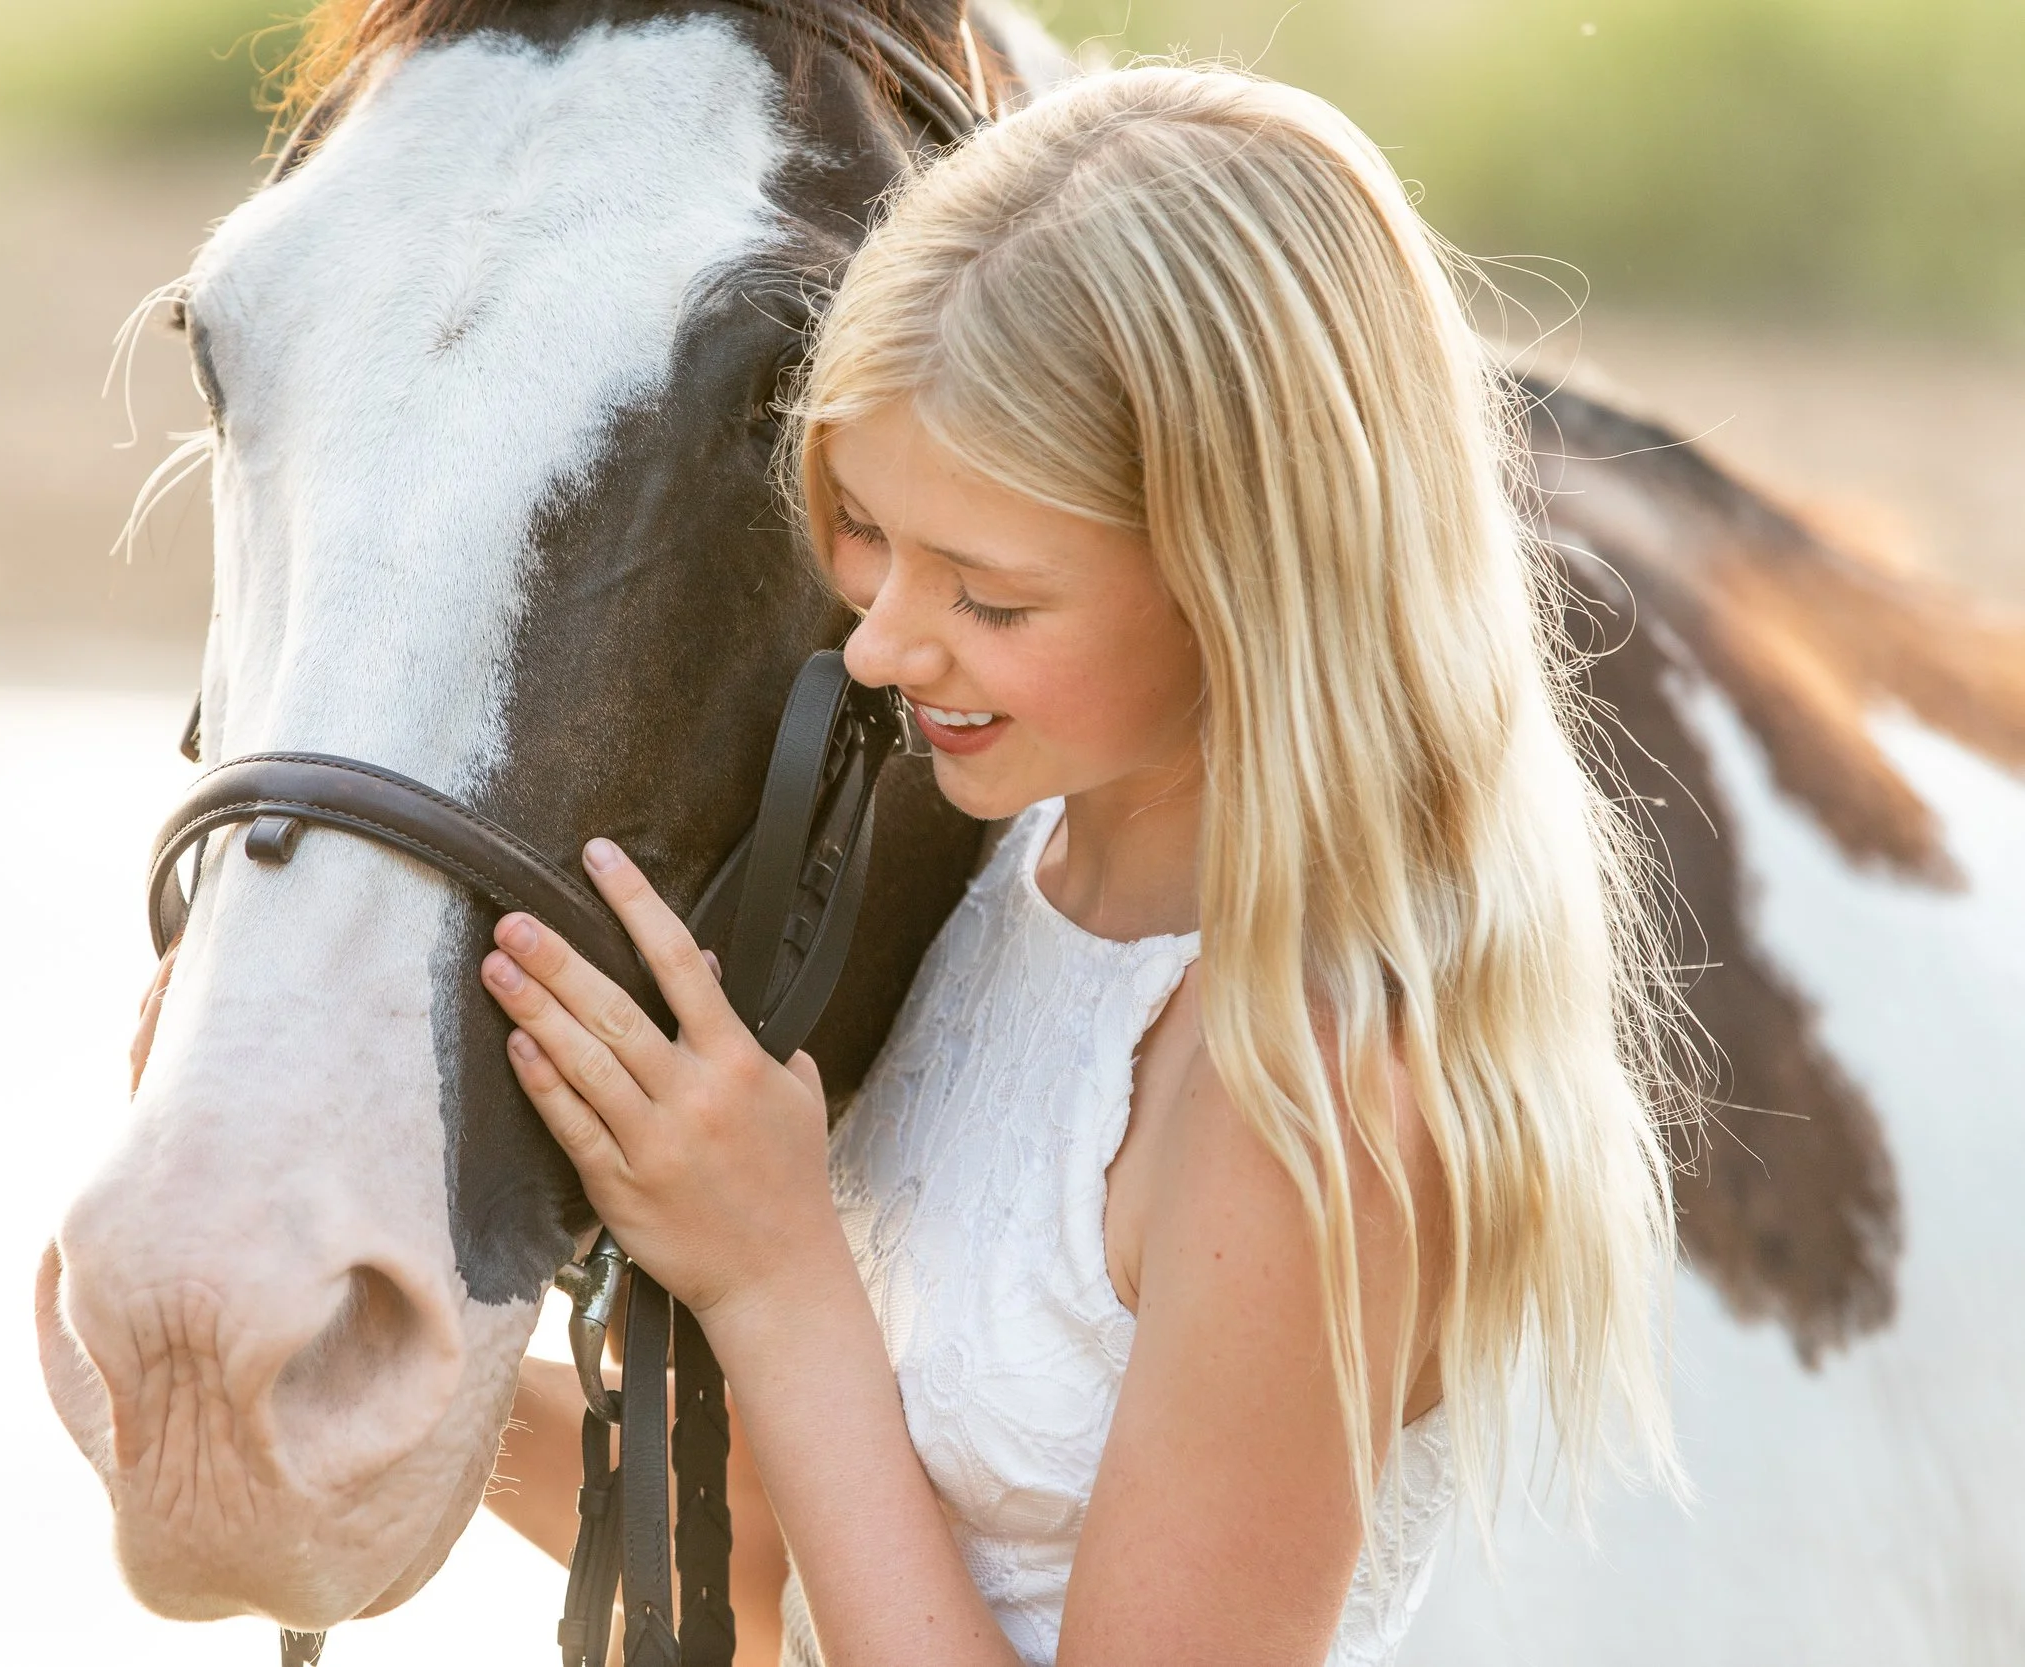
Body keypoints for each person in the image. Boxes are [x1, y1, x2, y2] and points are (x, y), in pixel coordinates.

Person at [478, 64, 1683, 1667]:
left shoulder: (1304, 1090)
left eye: (991, 595)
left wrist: (776, 1274)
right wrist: (348, 1372)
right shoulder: (1012, 861)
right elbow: (793, 1534)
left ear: (1246, 582)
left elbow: (825, 1406)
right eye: (866, 535)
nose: (888, 643)